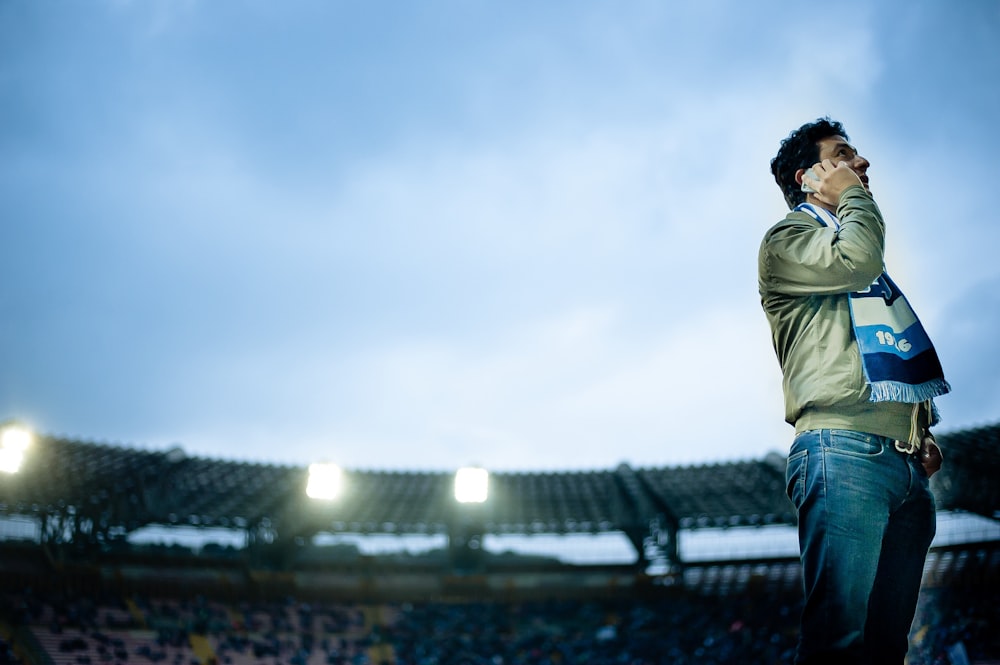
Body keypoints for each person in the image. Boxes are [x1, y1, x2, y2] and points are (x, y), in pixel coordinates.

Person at [758, 118, 951, 665]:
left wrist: (919, 427)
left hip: (905, 466)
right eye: (843, 155)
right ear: (809, 176)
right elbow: (860, 260)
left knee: (884, 651)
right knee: (838, 645)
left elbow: (873, 343)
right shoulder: (788, 240)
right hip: (844, 451)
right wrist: (852, 202)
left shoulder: (844, 242)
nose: (862, 164)